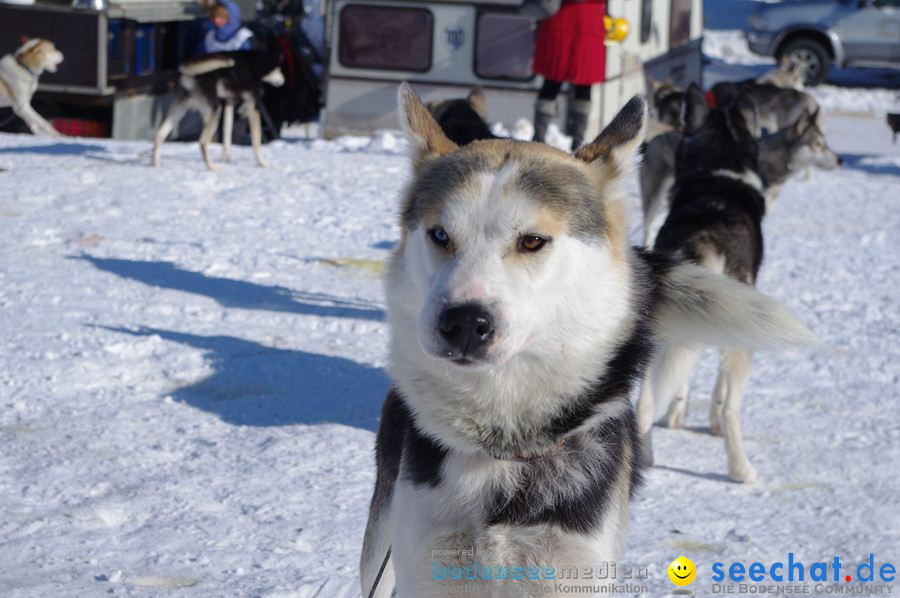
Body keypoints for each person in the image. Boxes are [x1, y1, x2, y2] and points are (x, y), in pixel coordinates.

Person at [531, 0, 607, 151]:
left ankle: (572, 140)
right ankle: (545, 139)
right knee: (556, 84)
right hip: (570, 23)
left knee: (573, 86)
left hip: (580, 24)